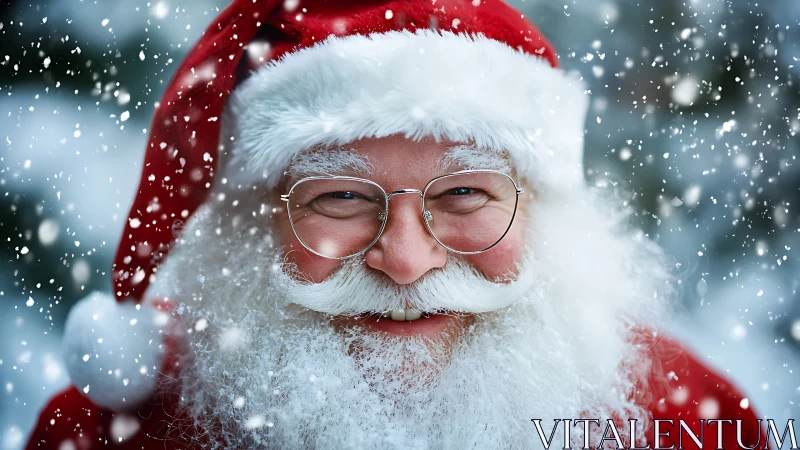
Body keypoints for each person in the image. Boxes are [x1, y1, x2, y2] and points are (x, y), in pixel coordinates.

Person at [26, 0, 765, 448]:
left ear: (544, 208)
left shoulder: (685, 425)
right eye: (340, 199)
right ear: (257, 222)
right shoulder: (106, 436)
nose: (406, 261)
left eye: (467, 194)